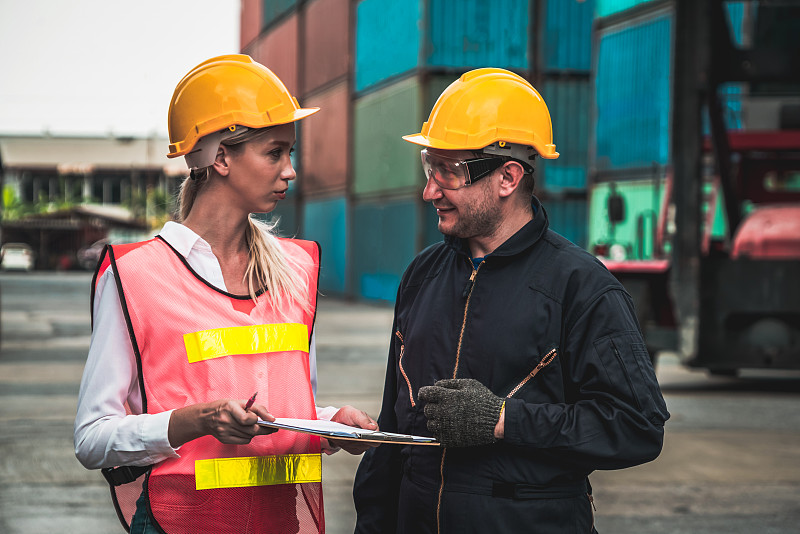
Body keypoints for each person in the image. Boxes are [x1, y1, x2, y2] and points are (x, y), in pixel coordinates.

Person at [352, 68, 670, 534]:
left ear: (508, 176)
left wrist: (504, 420)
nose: (430, 190)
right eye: (429, 166)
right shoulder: (423, 275)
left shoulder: (580, 287)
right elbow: (394, 428)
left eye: (449, 171)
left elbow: (636, 426)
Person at [74, 54, 377, 534]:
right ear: (220, 158)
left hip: (282, 522)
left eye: (289, 153)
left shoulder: (295, 271)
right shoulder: (136, 275)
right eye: (275, 152)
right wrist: (196, 420)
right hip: (179, 523)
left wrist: (335, 422)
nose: (291, 171)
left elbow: (291, 409)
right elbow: (92, 439)